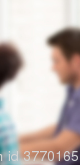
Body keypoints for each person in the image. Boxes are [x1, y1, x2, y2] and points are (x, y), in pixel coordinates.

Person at [19, 28, 80, 164]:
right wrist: (15, 139)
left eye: (57, 61)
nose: (53, 68)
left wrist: (4, 151)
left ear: (76, 61)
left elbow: (58, 149)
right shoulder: (73, 91)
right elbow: (63, 129)